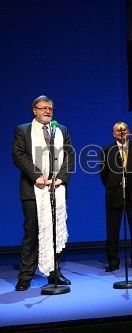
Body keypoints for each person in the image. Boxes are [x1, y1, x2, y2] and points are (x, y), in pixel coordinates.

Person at [12, 95, 75, 291]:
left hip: (56, 188)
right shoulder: (24, 130)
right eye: (43, 108)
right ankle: (25, 277)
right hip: (33, 189)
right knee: (32, 232)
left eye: (50, 108)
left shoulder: (60, 130)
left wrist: (60, 178)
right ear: (34, 110)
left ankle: (53, 272)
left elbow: (69, 155)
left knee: (55, 231)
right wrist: (37, 176)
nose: (47, 111)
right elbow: (18, 155)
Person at [99, 121, 132, 272]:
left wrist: (131, 184)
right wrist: (115, 185)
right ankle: (113, 261)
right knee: (113, 229)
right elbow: (103, 174)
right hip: (114, 194)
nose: (122, 132)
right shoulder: (107, 150)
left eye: (125, 129)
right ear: (114, 134)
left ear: (129, 131)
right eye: (118, 130)